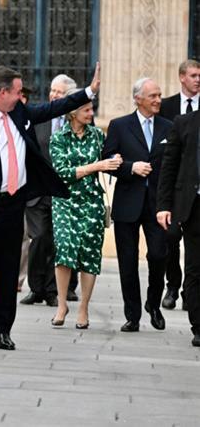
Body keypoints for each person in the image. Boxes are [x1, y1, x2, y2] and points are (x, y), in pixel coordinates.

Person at [0, 63, 99, 352]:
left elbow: (53, 109)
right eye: (18, 91)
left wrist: (89, 91)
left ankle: (2, 331)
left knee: (8, 268)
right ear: (3, 92)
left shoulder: (19, 113)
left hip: (13, 201)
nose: (23, 97)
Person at [102, 78, 172, 333]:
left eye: (159, 95)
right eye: (152, 95)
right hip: (127, 203)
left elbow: (173, 164)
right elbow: (107, 159)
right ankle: (132, 315)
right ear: (138, 98)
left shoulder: (168, 127)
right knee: (127, 261)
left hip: (158, 205)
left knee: (158, 255)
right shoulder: (119, 126)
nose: (157, 100)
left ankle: (153, 303)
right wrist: (131, 167)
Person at [49, 91, 121, 329]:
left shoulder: (98, 136)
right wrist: (97, 165)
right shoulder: (59, 138)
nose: (92, 113)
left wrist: (114, 160)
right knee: (65, 250)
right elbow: (63, 173)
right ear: (73, 113)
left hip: (92, 202)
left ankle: (83, 308)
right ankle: (62, 305)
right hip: (65, 202)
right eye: (87, 110)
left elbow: (108, 160)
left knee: (89, 255)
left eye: (92, 109)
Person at [22, 74, 77, 308]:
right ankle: (36, 288)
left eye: (60, 92)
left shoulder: (77, 121)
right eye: (52, 90)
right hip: (36, 192)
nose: (54, 95)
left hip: (63, 191)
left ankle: (53, 290)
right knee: (39, 238)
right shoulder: (38, 118)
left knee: (58, 241)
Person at [158, 59, 200, 311]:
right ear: (182, 77)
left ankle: (190, 292)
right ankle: (172, 284)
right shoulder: (167, 107)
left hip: (195, 191)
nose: (198, 79)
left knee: (195, 255)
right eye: (193, 75)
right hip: (174, 188)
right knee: (171, 238)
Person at [156, 106, 200, 347]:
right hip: (194, 208)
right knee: (195, 268)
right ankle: (198, 326)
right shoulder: (184, 123)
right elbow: (169, 169)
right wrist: (164, 206)